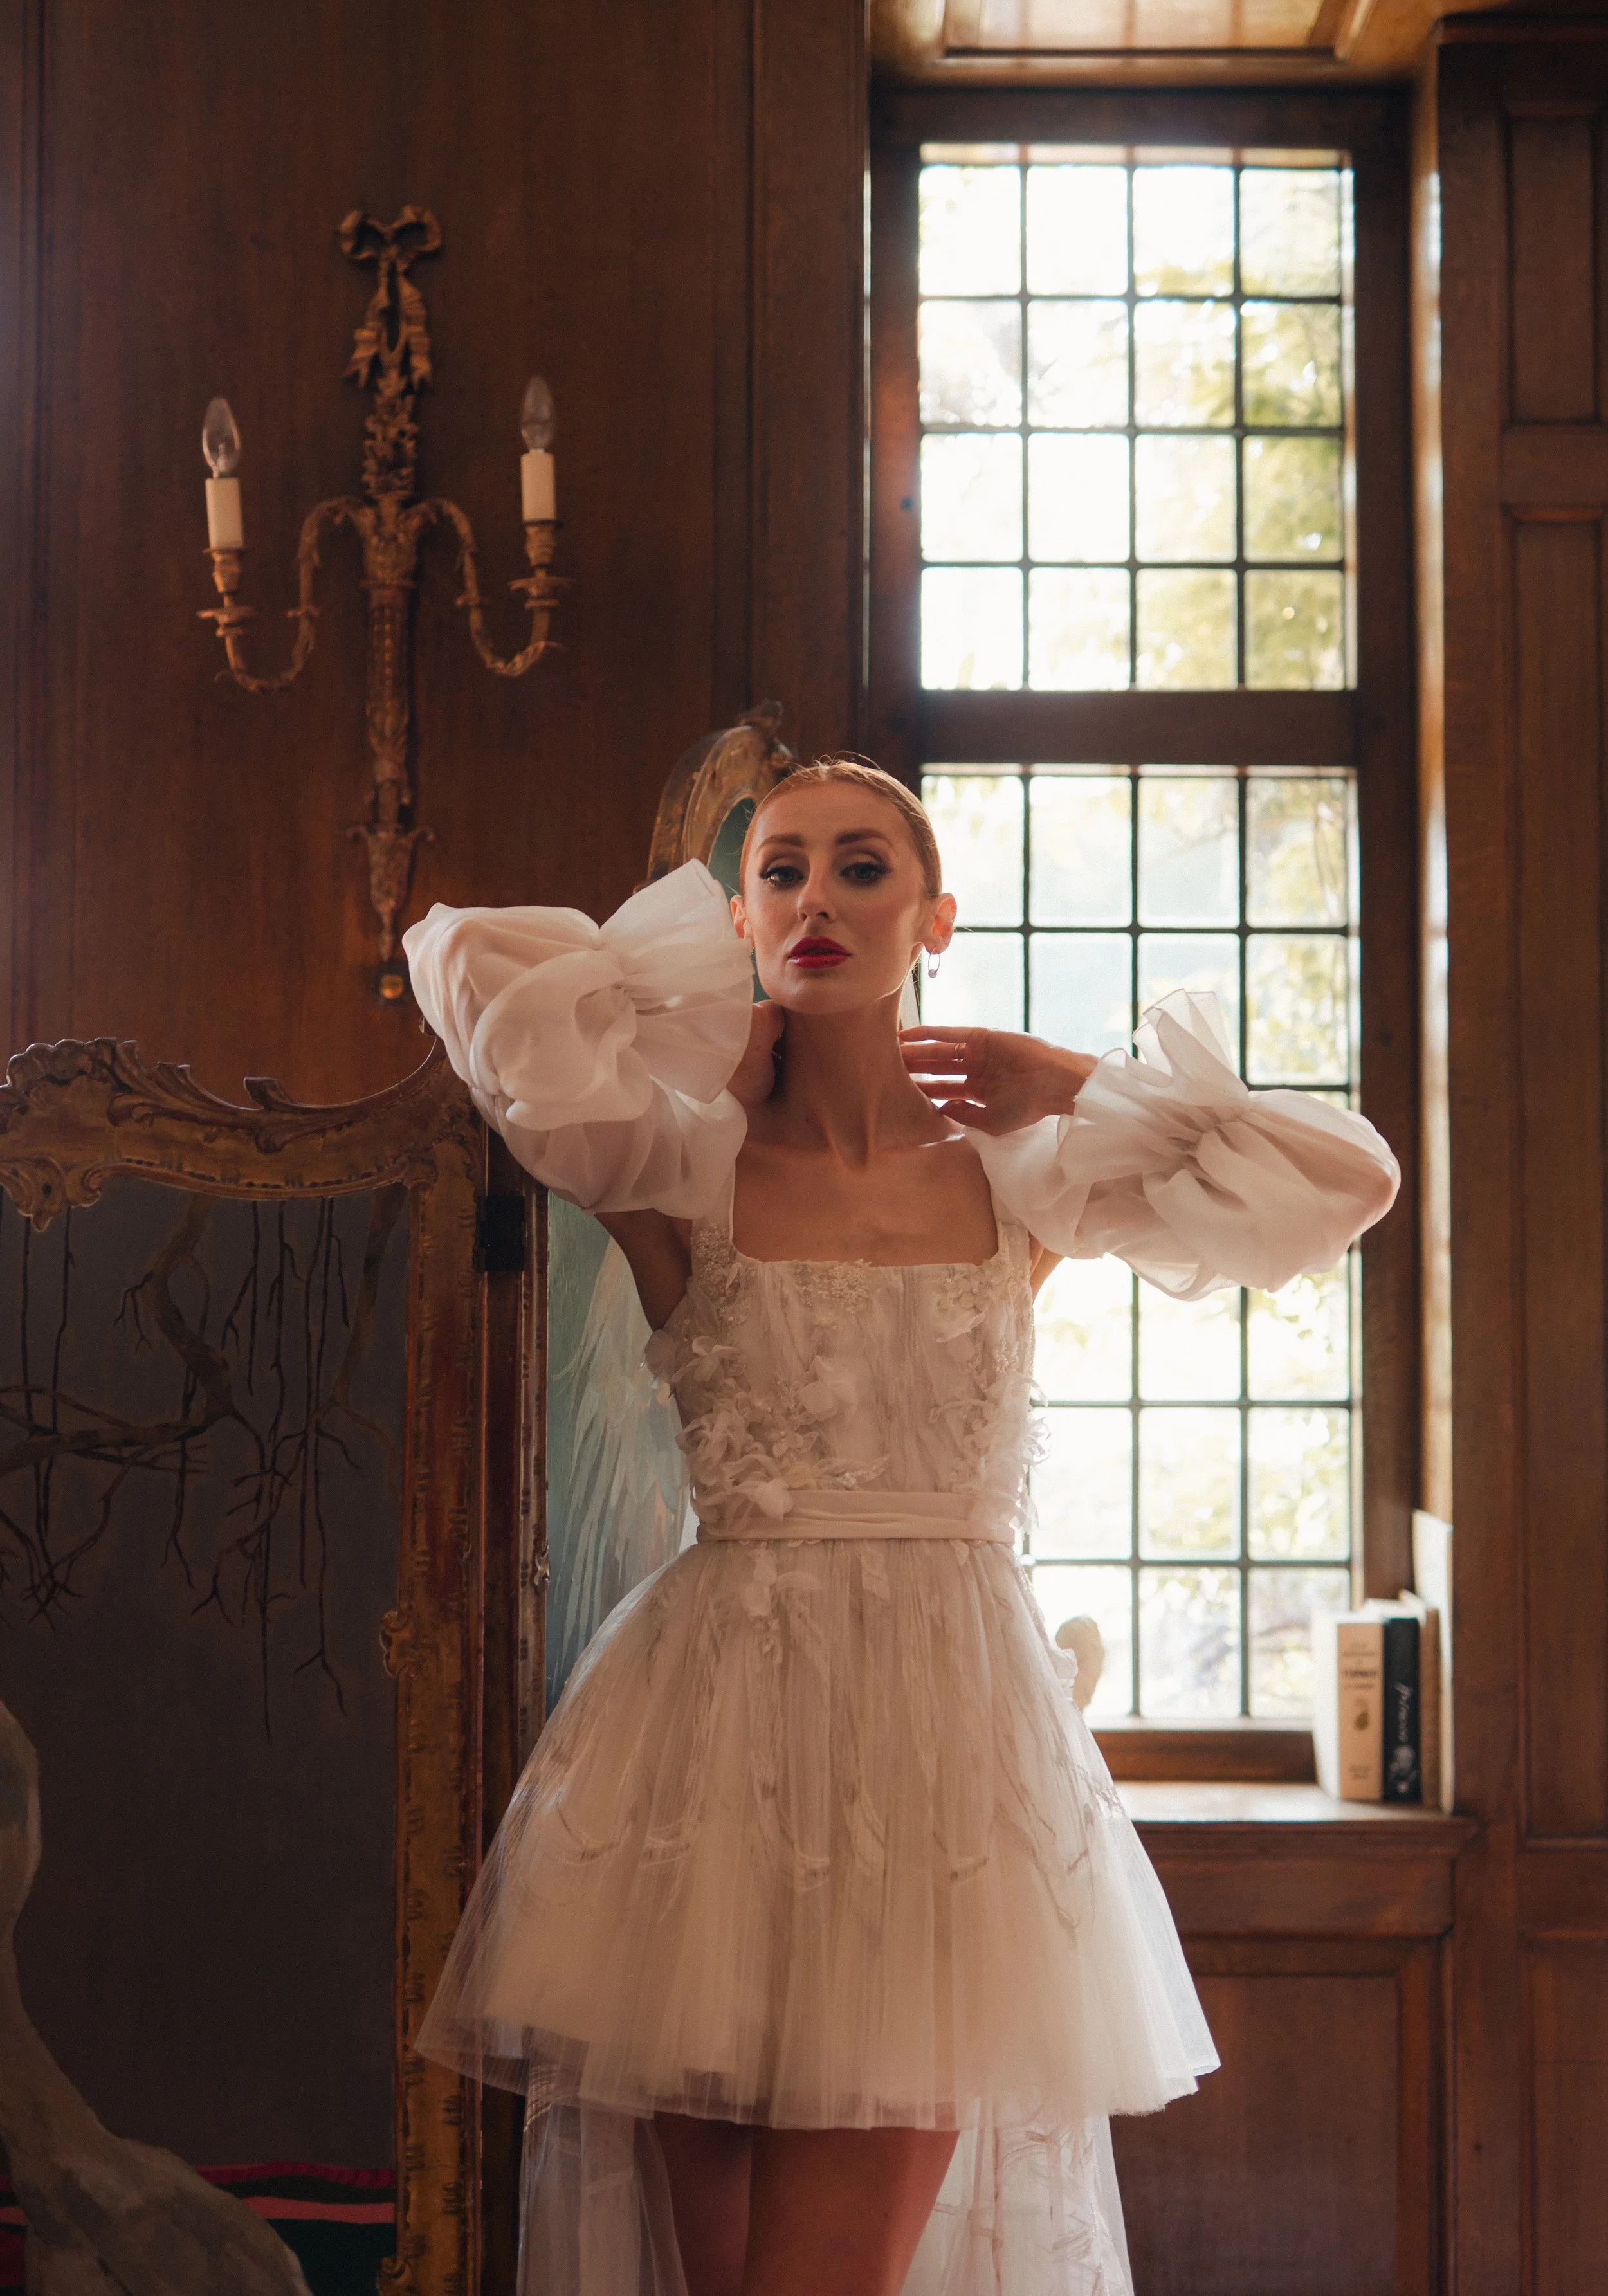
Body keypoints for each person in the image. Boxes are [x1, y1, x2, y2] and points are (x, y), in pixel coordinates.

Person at [403, 756, 1399, 2296]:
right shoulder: (676, 1165)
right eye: (780, 871)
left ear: (933, 914)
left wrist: (1077, 1081)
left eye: (859, 867)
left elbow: (1345, 1182)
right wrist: (700, 1041)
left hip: (938, 1775)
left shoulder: (1023, 1178)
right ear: (733, 917)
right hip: (704, 1770)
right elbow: (471, 971)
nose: (815, 899)